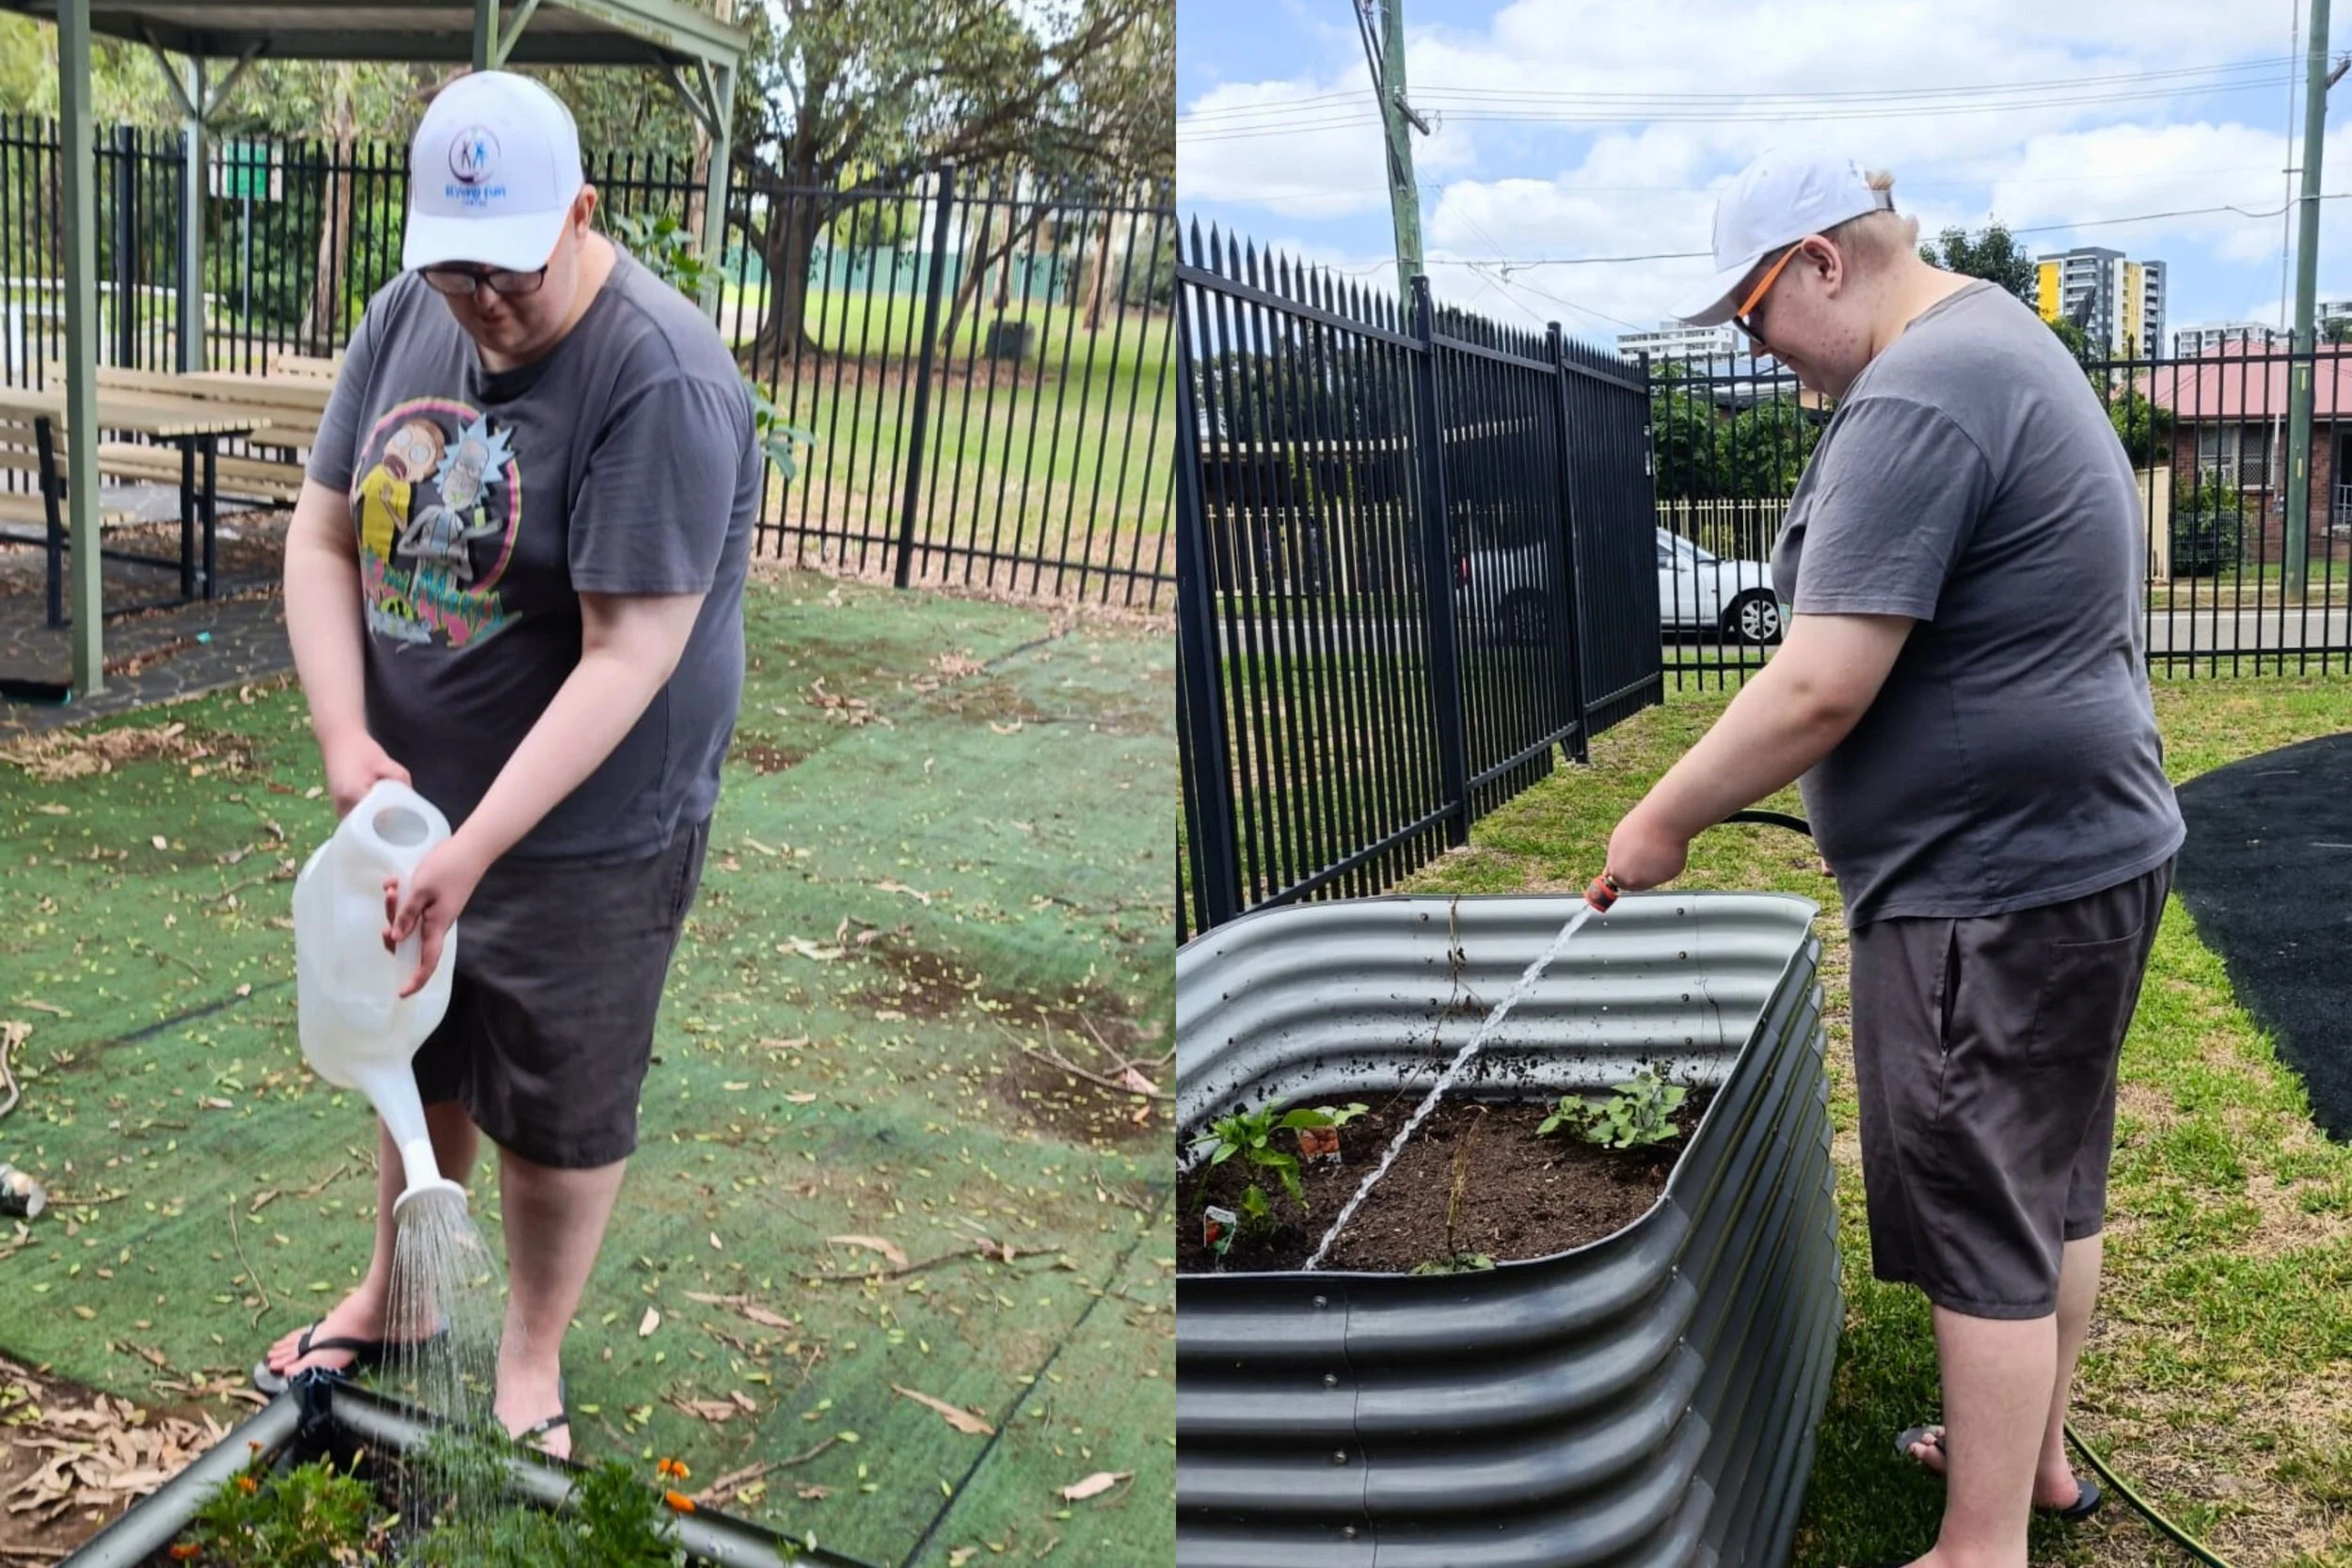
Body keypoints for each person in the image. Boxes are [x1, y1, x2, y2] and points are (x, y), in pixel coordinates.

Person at [1602, 154, 2185, 1567]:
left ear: (1820, 260)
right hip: (2082, 854)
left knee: (1983, 1197)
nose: (1756, 348)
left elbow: (1819, 686)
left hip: (1991, 885)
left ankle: (1977, 1543)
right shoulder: (1999, 339)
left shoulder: (1920, 389)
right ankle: (2035, 1464)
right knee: (2052, 1176)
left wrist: (1661, 818)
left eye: (1752, 314)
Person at [253, 69, 762, 1460]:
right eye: (454, 269)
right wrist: (347, 738)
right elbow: (321, 538)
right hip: (421, 797)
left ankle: (528, 1353)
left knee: (553, 1085)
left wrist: (476, 852)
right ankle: (403, 1296)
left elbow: (628, 653)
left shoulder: (657, 374)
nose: (479, 302)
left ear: (583, 215)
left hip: (592, 812)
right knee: (418, 1051)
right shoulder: (405, 315)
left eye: (510, 274)